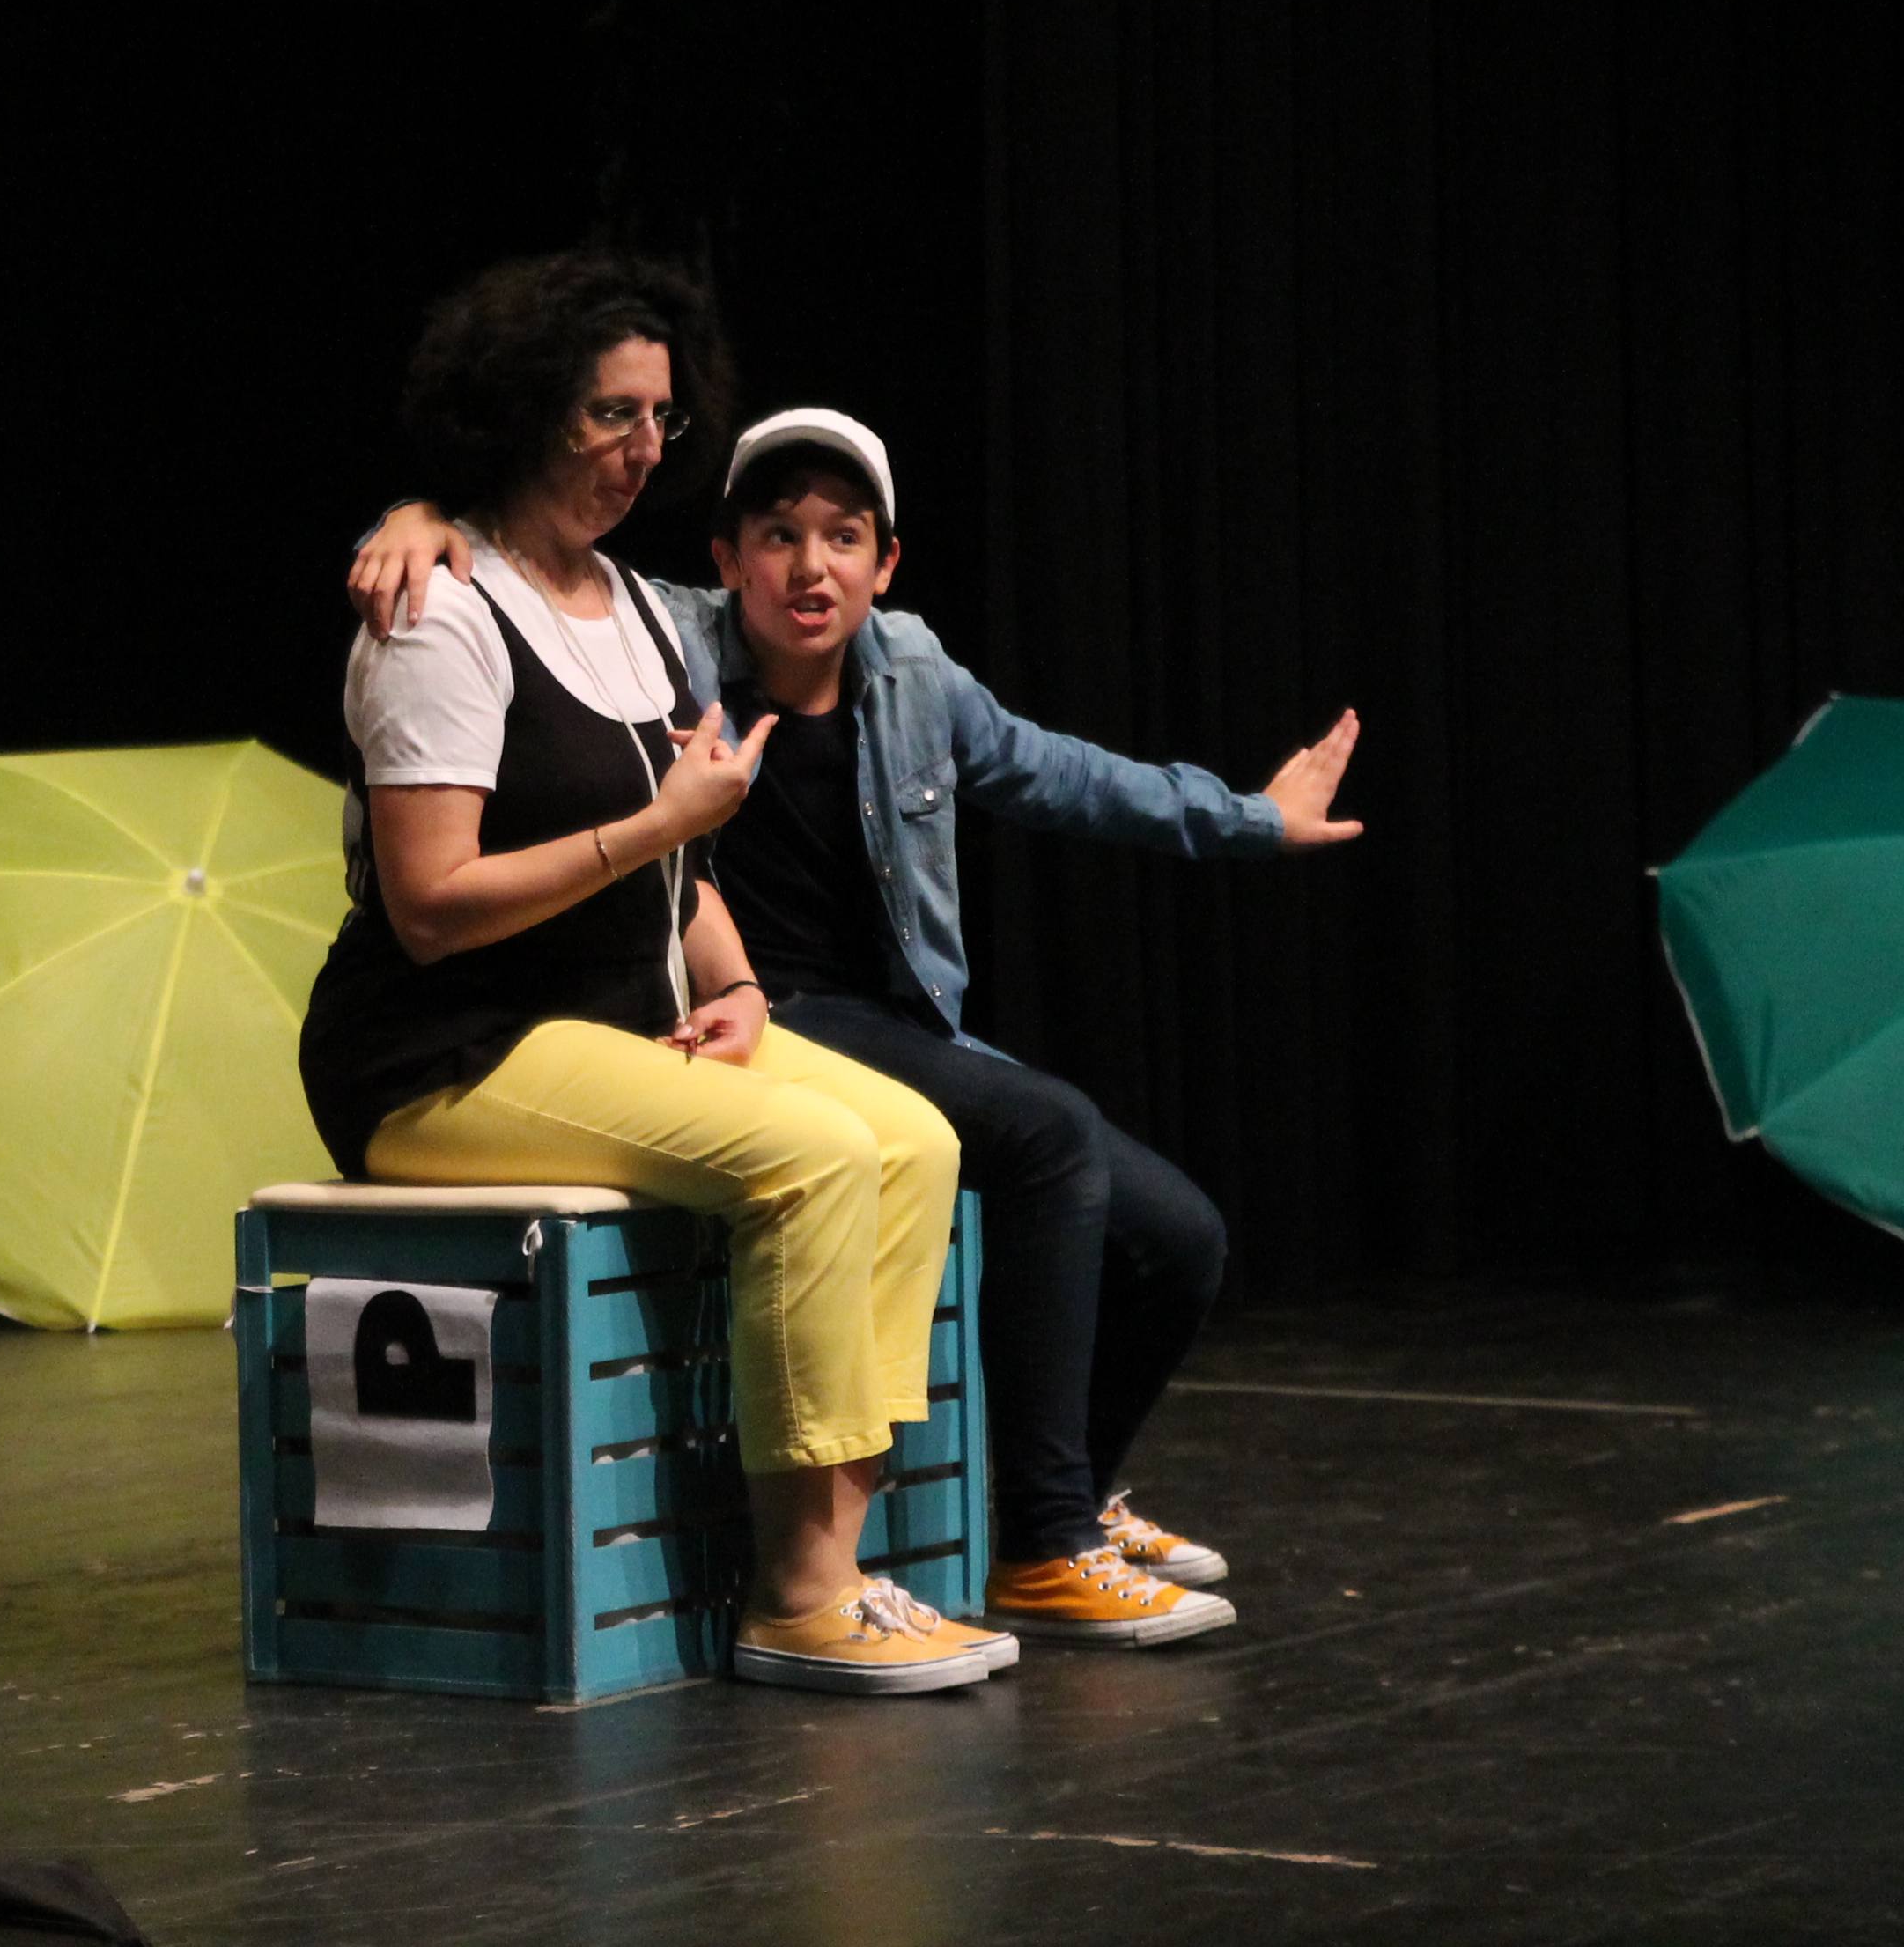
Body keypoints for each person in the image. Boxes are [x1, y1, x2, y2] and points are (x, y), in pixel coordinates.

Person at [351, 405, 1364, 1647]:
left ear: (885, 564)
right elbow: (524, 567)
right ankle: (1042, 1544)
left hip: (894, 1020)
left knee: (1180, 1237)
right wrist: (418, 517)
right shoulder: (661, 640)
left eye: (844, 538)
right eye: (779, 535)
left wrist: (1251, 818)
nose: (810, 566)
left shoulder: (914, 673)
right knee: (1047, 1137)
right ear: (728, 559)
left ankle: (1074, 1499)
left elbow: (1066, 775)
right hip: (757, 1019)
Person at [300, 254, 1012, 1697]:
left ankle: (839, 1550)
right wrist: (653, 829)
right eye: (608, 415)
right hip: (447, 1053)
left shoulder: (633, 605)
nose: (641, 450)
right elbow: (430, 909)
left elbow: (686, 861)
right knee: (813, 1156)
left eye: (660, 420)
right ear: (522, 410)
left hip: (612, 1024)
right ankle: (796, 1593)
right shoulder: (439, 615)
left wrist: (736, 984)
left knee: (914, 1138)